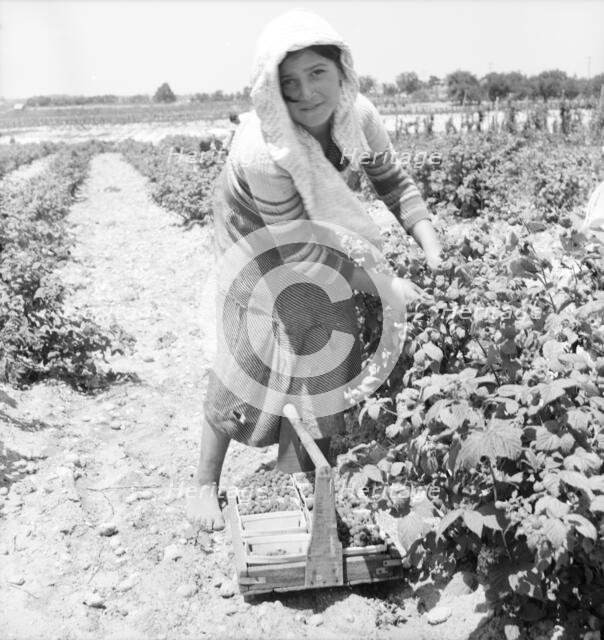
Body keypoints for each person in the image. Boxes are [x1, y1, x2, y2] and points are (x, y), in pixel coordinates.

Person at [186, 10, 442, 531]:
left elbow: (393, 183)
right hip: (254, 228)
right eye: (289, 83)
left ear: (341, 70)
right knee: (249, 352)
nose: (306, 93)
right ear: (270, 90)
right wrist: (387, 287)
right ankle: (203, 484)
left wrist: (437, 253)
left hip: (320, 225)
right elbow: (300, 254)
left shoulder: (358, 115)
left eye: (317, 73)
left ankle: (290, 476)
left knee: (328, 344)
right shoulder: (262, 150)